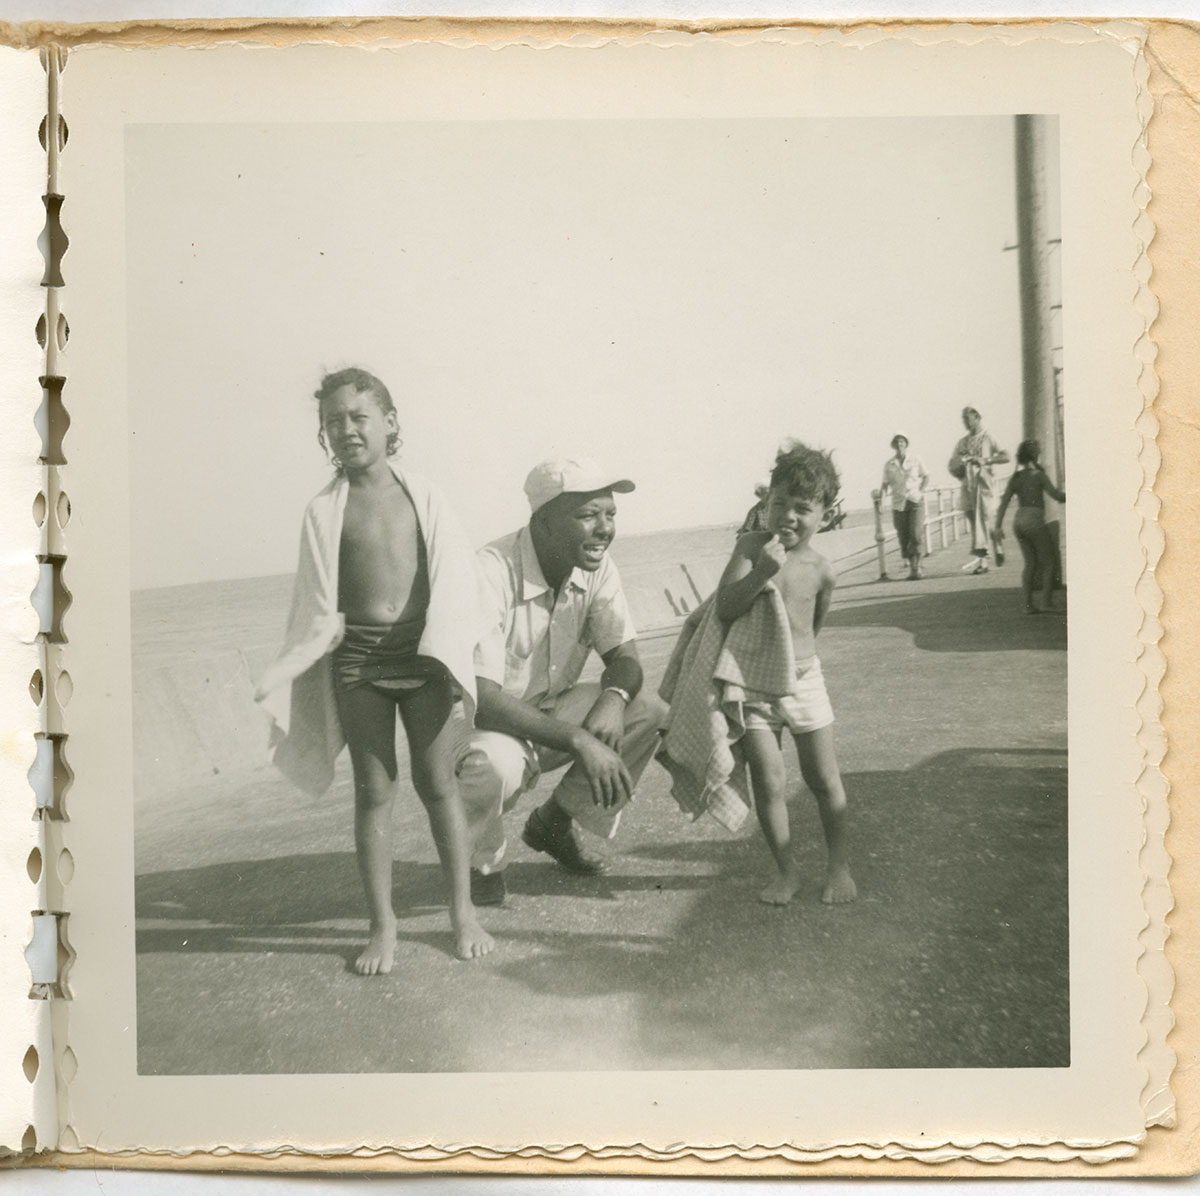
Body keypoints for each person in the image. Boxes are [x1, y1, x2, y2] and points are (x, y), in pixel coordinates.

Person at [256, 367, 493, 972]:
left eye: (358, 416)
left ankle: (462, 911)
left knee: (439, 784)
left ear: (390, 423)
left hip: (423, 655)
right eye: (332, 422)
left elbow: (456, 578)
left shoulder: (425, 495)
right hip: (358, 662)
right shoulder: (322, 512)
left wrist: (452, 650)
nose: (346, 429)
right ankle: (382, 926)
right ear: (324, 436)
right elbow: (314, 599)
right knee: (374, 791)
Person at [454, 458, 668, 906]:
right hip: (481, 729)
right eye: (588, 515)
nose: (604, 529)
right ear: (544, 520)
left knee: (646, 709)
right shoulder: (489, 570)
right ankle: (482, 862)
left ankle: (552, 823)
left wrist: (613, 696)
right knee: (495, 768)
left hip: (547, 712)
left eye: (610, 514)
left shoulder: (597, 565)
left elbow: (625, 658)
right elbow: (485, 701)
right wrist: (580, 740)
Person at [714, 442, 857, 907]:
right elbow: (726, 606)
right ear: (765, 502)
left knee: (823, 777)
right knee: (769, 782)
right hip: (754, 680)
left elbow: (812, 625)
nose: (788, 517)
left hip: (804, 678)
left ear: (826, 515)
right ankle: (787, 871)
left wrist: (798, 660)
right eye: (779, 504)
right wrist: (762, 572)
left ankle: (839, 868)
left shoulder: (822, 568)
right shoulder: (750, 548)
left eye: (803, 508)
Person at [994, 439, 1066, 614]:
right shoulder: (1038, 475)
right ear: (1036, 455)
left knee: (1030, 564)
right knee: (1049, 561)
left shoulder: (1016, 477)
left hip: (1018, 521)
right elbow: (1056, 496)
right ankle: (1046, 603)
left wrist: (998, 527)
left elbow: (1003, 503)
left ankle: (1028, 605)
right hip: (1033, 519)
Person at [949, 406, 1009, 575]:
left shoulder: (988, 437)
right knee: (973, 519)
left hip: (984, 485)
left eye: (967, 418)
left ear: (977, 417)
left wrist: (985, 459)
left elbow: (1006, 456)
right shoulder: (962, 442)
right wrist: (957, 466)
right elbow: (952, 463)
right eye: (963, 419)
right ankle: (990, 549)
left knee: (984, 520)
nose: (965, 422)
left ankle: (986, 558)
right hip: (967, 486)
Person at [875, 433, 929, 580]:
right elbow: (885, 485)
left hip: (915, 500)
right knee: (903, 537)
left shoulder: (915, 459)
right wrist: (882, 502)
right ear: (893, 445)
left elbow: (926, 476)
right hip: (898, 504)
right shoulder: (889, 464)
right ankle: (913, 568)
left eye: (902, 442)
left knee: (916, 533)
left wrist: (921, 491)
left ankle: (917, 568)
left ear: (906, 444)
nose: (900, 445)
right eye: (897, 442)